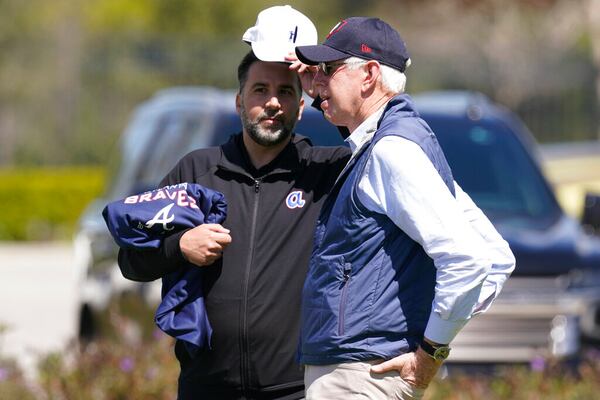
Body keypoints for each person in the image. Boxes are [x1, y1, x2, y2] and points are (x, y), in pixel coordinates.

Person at [117, 7, 350, 400]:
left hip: (294, 389)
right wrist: (180, 248)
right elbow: (130, 262)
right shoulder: (196, 171)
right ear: (239, 101)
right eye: (260, 90)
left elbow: (373, 135)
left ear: (301, 104)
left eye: (286, 91)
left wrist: (320, 82)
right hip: (206, 388)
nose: (273, 102)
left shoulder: (324, 172)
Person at [290, 17, 516, 399]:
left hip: (360, 376)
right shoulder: (397, 142)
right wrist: (422, 325)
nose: (319, 81)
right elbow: (496, 257)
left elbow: (472, 260)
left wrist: (429, 351)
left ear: (369, 75)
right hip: (367, 373)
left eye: (329, 68)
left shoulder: (393, 150)